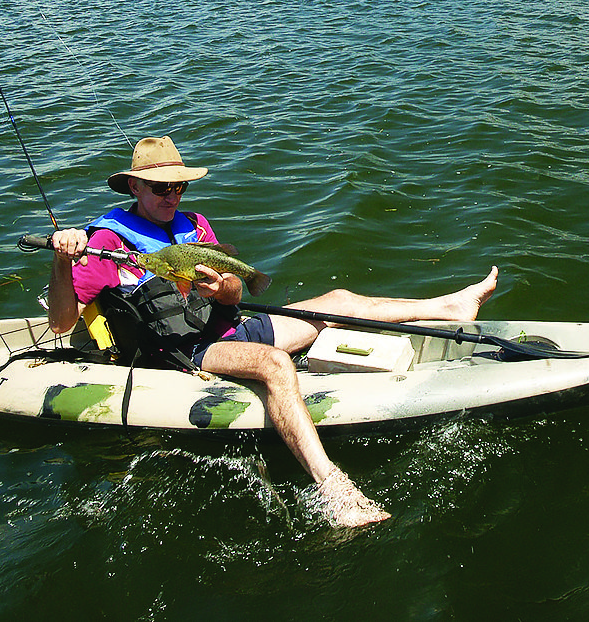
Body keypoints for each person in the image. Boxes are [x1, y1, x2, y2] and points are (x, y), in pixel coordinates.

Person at [45, 136, 499, 528]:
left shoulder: (194, 226)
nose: (172, 196)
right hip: (186, 353)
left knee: (339, 300)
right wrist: (63, 259)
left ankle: (449, 304)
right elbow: (62, 324)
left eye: (179, 185)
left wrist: (224, 287)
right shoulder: (106, 241)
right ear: (135, 186)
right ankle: (333, 489)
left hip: (230, 328)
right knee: (276, 364)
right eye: (161, 187)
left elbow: (236, 293)